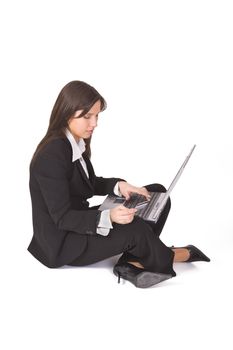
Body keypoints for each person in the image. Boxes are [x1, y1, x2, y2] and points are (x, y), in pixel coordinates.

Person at [28, 80, 210, 288]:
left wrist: (120, 186)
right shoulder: (52, 155)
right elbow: (62, 218)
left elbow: (86, 183)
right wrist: (109, 216)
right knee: (136, 228)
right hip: (65, 243)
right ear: (67, 113)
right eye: (87, 116)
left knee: (156, 194)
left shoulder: (74, 142)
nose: (94, 123)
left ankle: (132, 260)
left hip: (79, 224)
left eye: (97, 116)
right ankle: (174, 255)